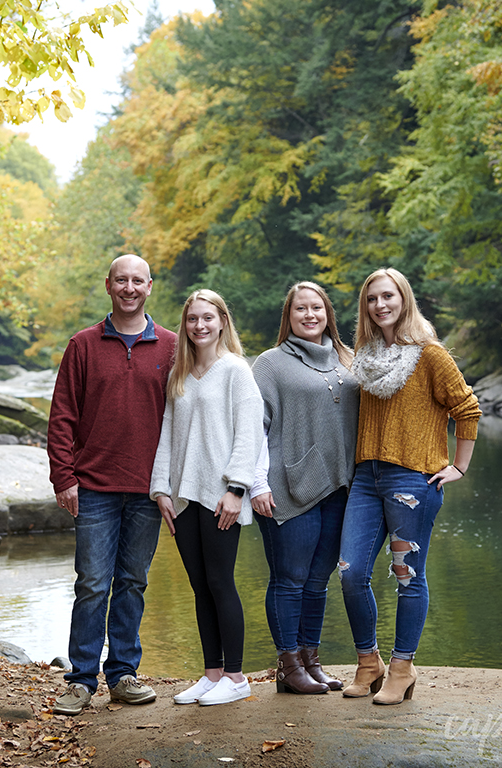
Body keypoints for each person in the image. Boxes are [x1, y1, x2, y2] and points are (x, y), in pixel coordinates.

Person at [338, 267, 481, 705]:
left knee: (407, 575)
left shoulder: (430, 354)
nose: (380, 305)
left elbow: (467, 409)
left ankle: (402, 668)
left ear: (404, 299)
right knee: (350, 573)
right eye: (372, 299)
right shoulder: (364, 356)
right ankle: (369, 663)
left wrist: (458, 467)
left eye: (388, 296)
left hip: (412, 481)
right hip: (366, 479)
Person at [46, 254, 178, 716]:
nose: (129, 287)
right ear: (108, 286)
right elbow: (61, 416)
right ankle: (80, 680)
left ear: (149, 287)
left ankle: (122, 674)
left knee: (133, 583)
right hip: (95, 488)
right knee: (92, 583)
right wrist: (65, 477)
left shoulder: (171, 347)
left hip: (148, 489)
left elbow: (186, 419)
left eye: (137, 280)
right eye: (121, 280)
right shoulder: (82, 345)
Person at [149, 289, 264, 707]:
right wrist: (161, 487)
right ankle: (212, 673)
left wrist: (237, 490)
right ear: (185, 325)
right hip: (183, 496)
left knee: (220, 581)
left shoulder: (236, 371)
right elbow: (167, 433)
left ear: (222, 322)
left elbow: (249, 435)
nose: (200, 326)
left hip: (220, 496)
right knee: (200, 586)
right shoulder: (178, 374)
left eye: (208, 318)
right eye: (192, 319)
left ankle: (235, 677)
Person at [249, 282, 359, 694]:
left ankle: (312, 662)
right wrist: (257, 484)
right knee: (289, 579)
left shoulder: (346, 360)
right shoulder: (270, 364)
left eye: (317, 308)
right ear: (289, 316)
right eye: (301, 309)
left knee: (318, 580)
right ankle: (288, 666)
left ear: (328, 313)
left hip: (339, 488)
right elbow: (252, 428)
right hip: (287, 487)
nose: (310, 315)